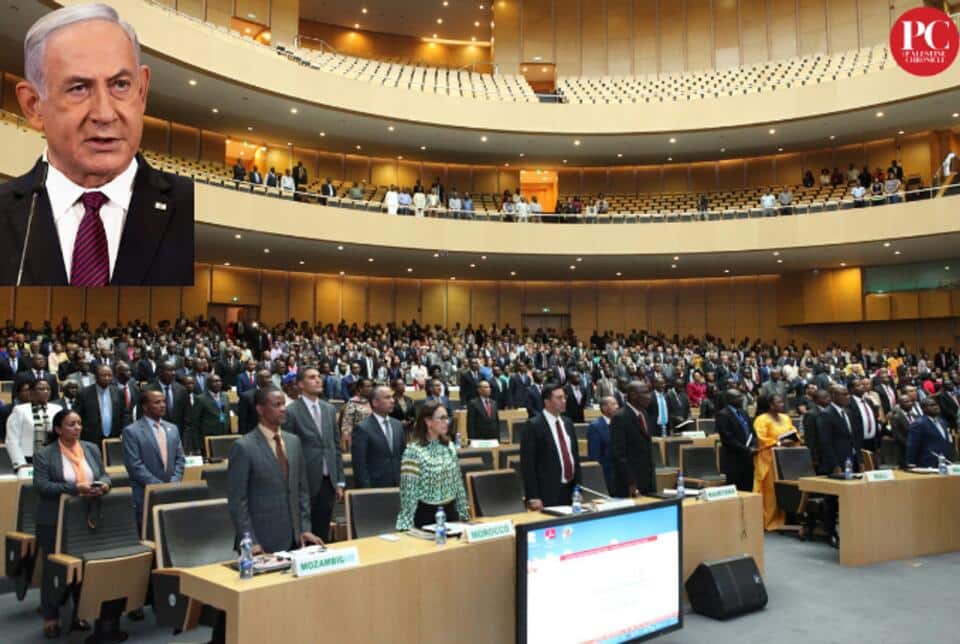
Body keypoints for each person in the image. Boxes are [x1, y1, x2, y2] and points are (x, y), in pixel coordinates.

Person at [1, 4, 195, 286]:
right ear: (33, 105)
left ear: (141, 91)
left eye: (120, 85)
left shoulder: (187, 208)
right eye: (78, 88)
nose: (105, 114)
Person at [34, 409, 110, 638]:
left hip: (84, 517)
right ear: (58, 429)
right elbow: (42, 486)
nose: (77, 428)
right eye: (70, 424)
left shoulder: (91, 448)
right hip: (54, 519)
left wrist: (105, 485)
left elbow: (104, 475)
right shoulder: (45, 454)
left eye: (78, 423)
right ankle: (51, 616)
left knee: (83, 568)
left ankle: (78, 613)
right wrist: (75, 488)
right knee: (53, 568)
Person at [227, 388, 323, 553]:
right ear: (260, 409)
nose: (283, 409)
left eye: (284, 404)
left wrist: (305, 528)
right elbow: (238, 502)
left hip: (296, 538)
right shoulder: (243, 447)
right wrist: (249, 540)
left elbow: (302, 491)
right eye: (276, 405)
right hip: (261, 542)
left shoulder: (293, 442)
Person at [282, 368, 344, 539]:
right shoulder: (291, 411)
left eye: (318, 377)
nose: (318, 380)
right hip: (304, 479)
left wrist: (339, 480)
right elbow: (287, 449)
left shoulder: (329, 409)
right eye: (312, 377)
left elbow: (335, 446)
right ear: (300, 384)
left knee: (323, 529)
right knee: (304, 530)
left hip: (328, 480)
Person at [396, 401, 470, 530]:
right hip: (425, 517)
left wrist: (464, 515)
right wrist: (405, 527)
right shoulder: (413, 451)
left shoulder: (449, 446)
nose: (446, 422)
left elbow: (458, 484)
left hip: (450, 514)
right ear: (428, 421)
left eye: (447, 418)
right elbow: (408, 493)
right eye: (442, 418)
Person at [121, 390, 186, 526]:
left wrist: (174, 482)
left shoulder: (172, 428)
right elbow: (134, 465)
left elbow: (180, 459)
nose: (162, 405)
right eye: (157, 402)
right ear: (145, 407)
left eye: (163, 402)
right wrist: (158, 486)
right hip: (145, 494)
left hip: (171, 491)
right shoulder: (132, 431)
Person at [521, 383, 581, 509]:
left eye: (564, 397)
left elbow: (574, 457)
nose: (564, 401)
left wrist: (578, 487)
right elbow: (528, 464)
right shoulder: (533, 425)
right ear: (547, 402)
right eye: (559, 398)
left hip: (570, 490)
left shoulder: (567, 422)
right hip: (546, 492)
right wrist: (533, 496)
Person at [752, 394, 798, 531]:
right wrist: (778, 442)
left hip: (785, 457)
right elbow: (761, 439)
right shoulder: (761, 419)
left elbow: (794, 432)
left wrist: (793, 440)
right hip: (768, 458)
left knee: (783, 489)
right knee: (770, 491)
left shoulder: (786, 418)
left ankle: (782, 518)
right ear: (771, 405)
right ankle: (768, 521)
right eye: (779, 402)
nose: (782, 404)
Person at [609, 381, 656, 498]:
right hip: (629, 484)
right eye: (645, 393)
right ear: (633, 395)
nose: (649, 396)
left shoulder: (644, 413)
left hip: (647, 479)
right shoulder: (620, 417)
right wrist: (631, 483)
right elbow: (619, 455)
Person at [351, 385, 403, 488]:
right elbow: (359, 465)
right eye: (387, 398)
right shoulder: (362, 428)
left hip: (398, 485)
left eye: (392, 397)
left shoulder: (397, 425)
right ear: (375, 402)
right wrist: (366, 491)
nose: (392, 401)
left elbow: (402, 456)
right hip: (375, 488)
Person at [5, 380, 61, 471]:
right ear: (31, 392)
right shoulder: (20, 410)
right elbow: (12, 440)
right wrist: (20, 463)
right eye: (41, 389)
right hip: (28, 459)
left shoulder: (57, 409)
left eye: (48, 389)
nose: (46, 392)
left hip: (53, 458)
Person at [716, 389, 757, 492]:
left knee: (749, 490)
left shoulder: (744, 413)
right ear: (730, 400)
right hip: (734, 460)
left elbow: (752, 431)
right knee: (737, 491)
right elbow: (728, 439)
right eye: (738, 397)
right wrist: (746, 449)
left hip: (748, 459)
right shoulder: (723, 415)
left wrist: (754, 445)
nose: (742, 399)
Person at [76, 364, 126, 444]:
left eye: (109, 375)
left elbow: (125, 414)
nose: (107, 378)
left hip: (115, 436)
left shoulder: (118, 392)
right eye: (103, 375)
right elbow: (78, 415)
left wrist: (123, 431)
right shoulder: (83, 393)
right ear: (95, 377)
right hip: (90, 438)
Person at [906, 397, 955, 468]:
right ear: (923, 409)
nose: (936, 407)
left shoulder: (943, 421)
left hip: (945, 461)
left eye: (936, 405)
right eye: (932, 405)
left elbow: (947, 441)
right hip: (928, 462)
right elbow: (912, 445)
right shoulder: (919, 424)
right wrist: (911, 462)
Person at [191, 373, 231, 451]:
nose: (218, 383)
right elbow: (195, 423)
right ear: (208, 384)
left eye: (219, 381)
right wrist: (197, 446)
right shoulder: (201, 399)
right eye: (214, 381)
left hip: (224, 436)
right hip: (208, 439)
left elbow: (226, 416)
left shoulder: (225, 396)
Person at [587, 396, 619, 492]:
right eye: (613, 404)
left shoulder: (619, 423)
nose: (617, 406)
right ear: (604, 408)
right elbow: (595, 456)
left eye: (617, 404)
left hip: (620, 474)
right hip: (606, 474)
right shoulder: (595, 426)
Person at [339, 377, 373, 449]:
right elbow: (347, 425)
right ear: (360, 389)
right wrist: (348, 444)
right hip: (359, 440)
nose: (371, 389)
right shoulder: (352, 403)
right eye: (368, 386)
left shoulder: (373, 402)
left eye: (371, 386)